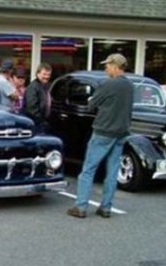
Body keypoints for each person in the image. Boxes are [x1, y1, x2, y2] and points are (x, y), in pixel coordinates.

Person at [67, 53, 133, 219]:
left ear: (115, 66)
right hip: (121, 132)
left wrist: (92, 99)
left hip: (104, 131)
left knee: (88, 170)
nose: (106, 69)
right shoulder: (130, 86)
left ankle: (81, 206)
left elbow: (91, 105)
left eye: (107, 65)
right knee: (112, 171)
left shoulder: (108, 84)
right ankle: (106, 207)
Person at [24, 62, 52, 133]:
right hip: (35, 123)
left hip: (42, 123)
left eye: (48, 74)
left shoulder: (45, 86)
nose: (47, 77)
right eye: (44, 74)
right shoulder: (33, 87)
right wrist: (41, 121)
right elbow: (31, 107)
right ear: (37, 74)